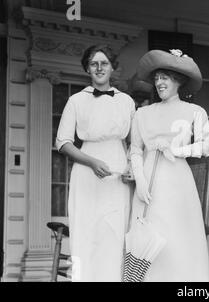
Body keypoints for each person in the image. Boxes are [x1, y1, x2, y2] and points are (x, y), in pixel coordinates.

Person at [55, 44, 136, 281]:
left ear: (113, 68)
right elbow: (63, 142)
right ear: (87, 69)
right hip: (86, 173)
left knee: (114, 232)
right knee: (87, 232)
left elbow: (135, 143)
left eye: (104, 63)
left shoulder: (126, 102)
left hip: (117, 174)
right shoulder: (76, 100)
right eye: (94, 64)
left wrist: (131, 165)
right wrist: (91, 162)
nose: (99, 68)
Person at [130, 49, 209, 281]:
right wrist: (140, 180)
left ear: (178, 80)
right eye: (156, 78)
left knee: (177, 238)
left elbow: (205, 147)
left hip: (177, 180)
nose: (159, 83)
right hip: (148, 181)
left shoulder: (195, 112)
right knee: (147, 237)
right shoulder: (142, 114)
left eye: (165, 77)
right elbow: (135, 149)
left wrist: (177, 149)